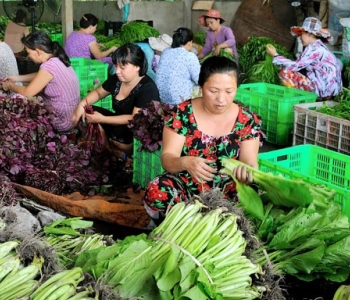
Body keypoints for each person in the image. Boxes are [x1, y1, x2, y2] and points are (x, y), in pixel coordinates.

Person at [143, 56, 262, 222]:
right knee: (157, 190)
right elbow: (168, 159)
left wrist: (247, 172)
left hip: (228, 191)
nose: (221, 99)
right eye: (213, 91)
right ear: (200, 87)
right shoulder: (182, 114)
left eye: (229, 91)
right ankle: (171, 225)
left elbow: (250, 162)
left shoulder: (247, 120)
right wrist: (186, 162)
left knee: (258, 193)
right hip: (187, 186)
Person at [71, 44, 161, 157]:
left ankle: (124, 153)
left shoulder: (148, 88)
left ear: (137, 66)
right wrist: (82, 104)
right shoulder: (117, 80)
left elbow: (134, 118)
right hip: (115, 121)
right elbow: (98, 93)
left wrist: (103, 119)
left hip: (136, 129)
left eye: (122, 68)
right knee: (88, 111)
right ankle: (107, 148)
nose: (117, 71)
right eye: (116, 66)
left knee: (119, 142)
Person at [2, 31, 80, 133]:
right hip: (73, 115)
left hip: (62, 120)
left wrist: (10, 85)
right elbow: (41, 76)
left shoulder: (49, 66)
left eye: (29, 52)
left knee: (19, 98)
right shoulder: (57, 59)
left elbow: (27, 92)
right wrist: (17, 78)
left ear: (38, 51)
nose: (28, 56)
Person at [266, 17, 342, 100]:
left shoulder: (313, 49)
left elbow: (295, 66)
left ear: (309, 33)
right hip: (330, 91)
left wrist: (275, 55)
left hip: (323, 91)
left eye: (301, 34)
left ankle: (294, 100)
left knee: (285, 72)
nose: (300, 38)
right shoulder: (321, 47)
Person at [155, 28, 201, 105]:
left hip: (162, 97)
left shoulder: (166, 51)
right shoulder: (189, 56)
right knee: (205, 87)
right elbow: (199, 79)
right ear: (189, 43)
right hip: (179, 99)